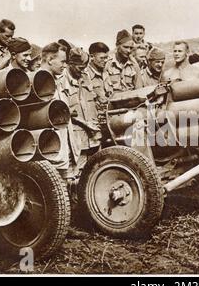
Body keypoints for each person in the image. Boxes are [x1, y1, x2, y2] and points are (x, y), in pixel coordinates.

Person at [62, 47, 102, 177]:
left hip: (93, 137)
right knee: (76, 176)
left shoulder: (85, 77)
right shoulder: (62, 81)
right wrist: (85, 123)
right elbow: (64, 111)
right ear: (70, 64)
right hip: (76, 139)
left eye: (84, 67)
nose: (83, 71)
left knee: (94, 173)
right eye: (79, 68)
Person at [41, 42, 75, 179]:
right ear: (50, 60)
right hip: (50, 154)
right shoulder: (39, 82)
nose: (65, 65)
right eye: (62, 61)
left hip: (61, 151)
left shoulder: (57, 81)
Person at [103, 29, 142, 95]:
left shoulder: (134, 65)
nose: (129, 50)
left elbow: (139, 89)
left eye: (131, 48)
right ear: (117, 45)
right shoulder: (107, 63)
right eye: (125, 47)